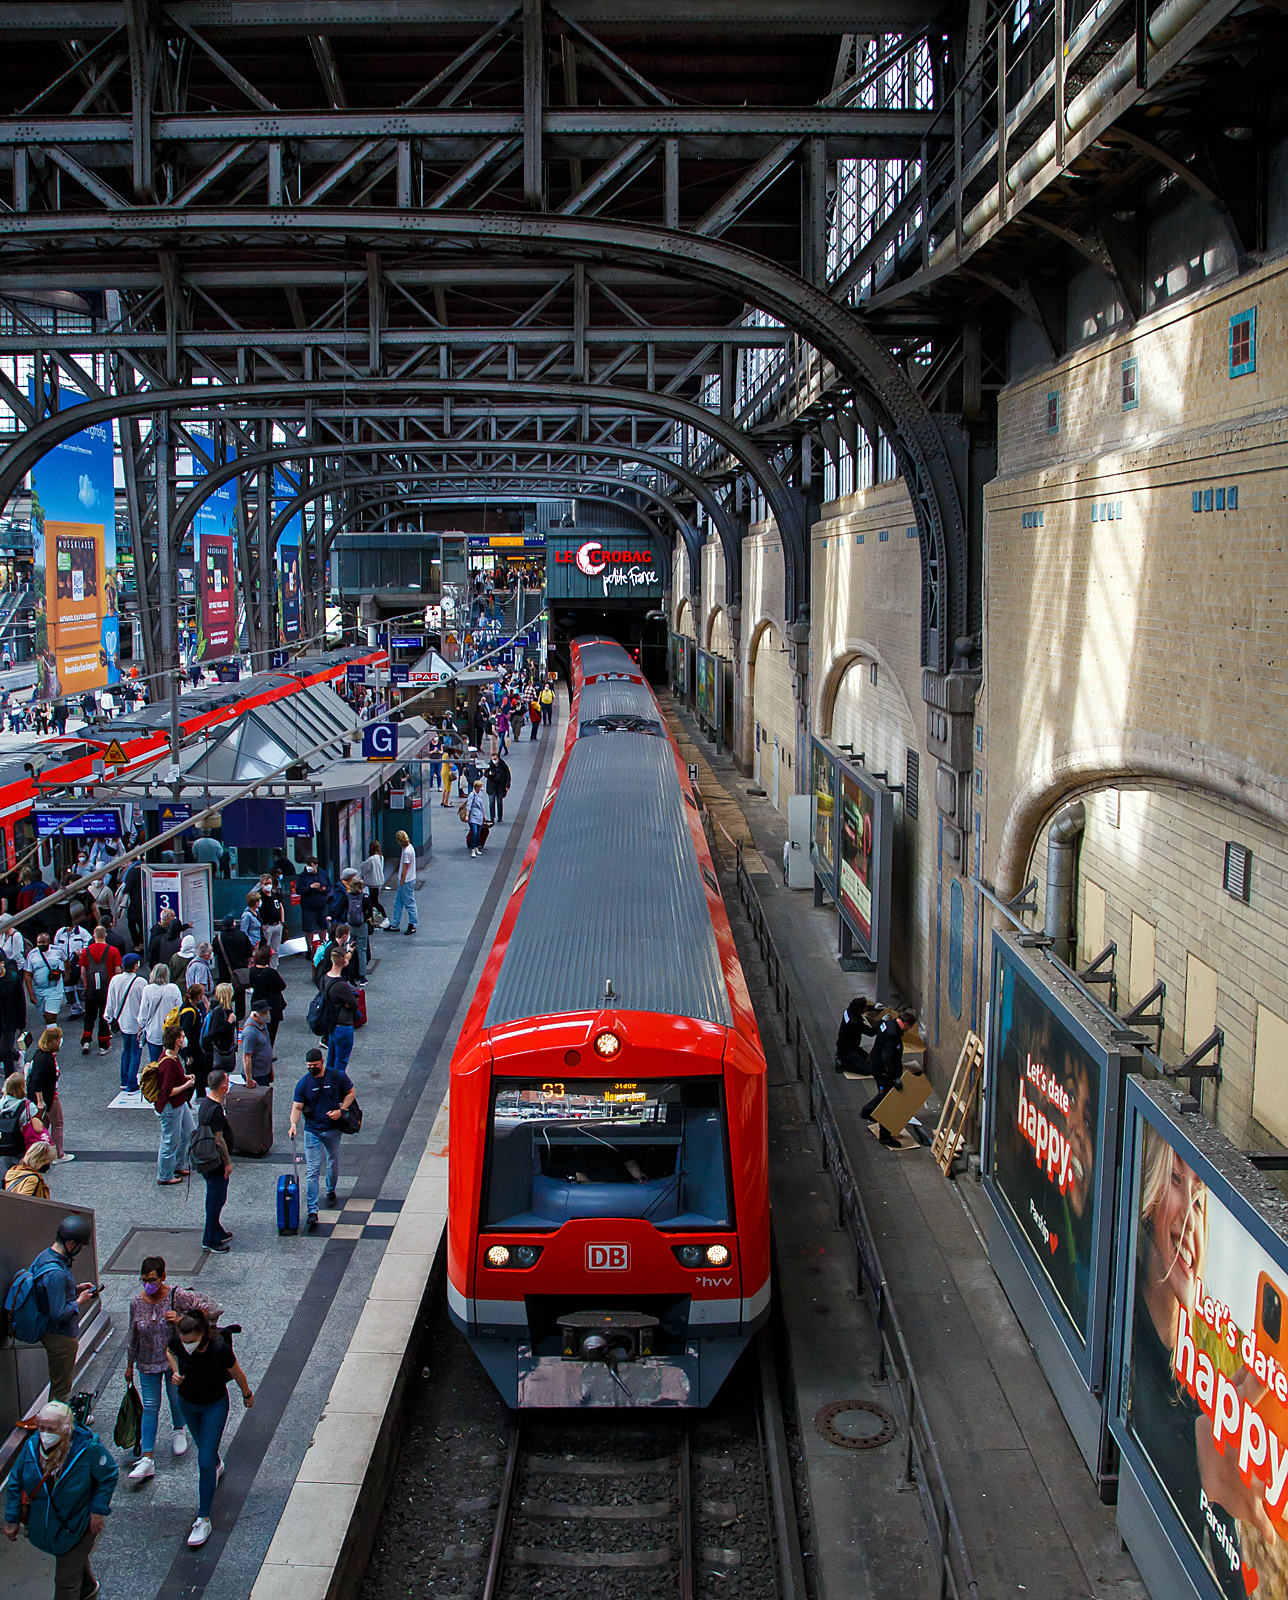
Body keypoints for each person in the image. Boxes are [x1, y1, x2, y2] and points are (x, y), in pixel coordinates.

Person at [3, 1398, 117, 1600]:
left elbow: (108, 1475)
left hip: (78, 1525)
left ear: (66, 1428)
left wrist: (98, 1511)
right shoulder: (31, 1447)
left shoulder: (88, 1450)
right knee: (70, 1561)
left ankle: (80, 1586)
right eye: (42, 1428)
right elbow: (15, 1481)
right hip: (47, 1526)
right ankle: (88, 1587)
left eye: (51, 1428)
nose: (45, 1434)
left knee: (65, 1583)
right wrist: (12, 1519)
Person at [166, 1308, 254, 1549]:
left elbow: (236, 1372)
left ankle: (203, 1518)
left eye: (191, 1341)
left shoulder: (218, 1348)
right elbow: (170, 1351)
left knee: (203, 1459)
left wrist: (247, 1394)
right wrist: (175, 1372)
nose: (187, 1346)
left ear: (202, 1334)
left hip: (214, 1404)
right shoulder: (178, 1341)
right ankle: (216, 1465)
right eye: (184, 1342)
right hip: (188, 1403)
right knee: (206, 1450)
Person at [124, 1257, 215, 1483]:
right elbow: (132, 1335)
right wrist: (129, 1365)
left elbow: (209, 1310)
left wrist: (182, 1319)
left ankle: (179, 1429)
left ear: (163, 1277)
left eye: (152, 1280)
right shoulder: (137, 1303)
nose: (148, 1284)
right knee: (150, 1406)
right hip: (147, 1362)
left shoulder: (177, 1296)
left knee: (175, 1399)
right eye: (144, 1280)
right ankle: (147, 1456)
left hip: (172, 1359)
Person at [24, 1215, 97, 1401]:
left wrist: (74, 1289)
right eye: (79, 1245)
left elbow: (48, 1293)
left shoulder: (45, 1256)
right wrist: (79, 1301)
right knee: (61, 1386)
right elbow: (58, 1313)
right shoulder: (56, 1273)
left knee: (60, 1382)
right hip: (60, 1336)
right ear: (71, 1243)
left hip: (53, 1331)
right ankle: (57, 1425)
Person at [289, 1046, 357, 1231]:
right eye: (309, 1065)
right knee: (311, 1170)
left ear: (322, 1062)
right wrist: (294, 1124)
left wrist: (341, 1111)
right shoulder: (303, 1083)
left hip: (332, 1129)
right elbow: (297, 1107)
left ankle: (330, 1190)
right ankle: (312, 1210)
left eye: (315, 1065)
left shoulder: (337, 1077)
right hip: (312, 1131)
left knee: (332, 1161)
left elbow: (351, 1092)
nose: (312, 1068)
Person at [860, 1008, 920, 1146]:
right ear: (905, 1024)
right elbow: (887, 1057)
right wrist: (893, 1077)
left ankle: (868, 1111)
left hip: (876, 1066)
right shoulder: (893, 1035)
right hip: (884, 1072)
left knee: (883, 1095)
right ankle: (885, 1136)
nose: (908, 1031)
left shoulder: (888, 1024)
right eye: (909, 1028)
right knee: (888, 1101)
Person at [192, 1072, 233, 1254]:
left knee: (215, 1195)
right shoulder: (216, 1110)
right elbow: (219, 1140)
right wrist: (227, 1163)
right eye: (227, 1081)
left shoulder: (206, 1104)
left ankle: (216, 1229)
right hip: (215, 1162)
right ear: (223, 1086)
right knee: (216, 1198)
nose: (229, 1084)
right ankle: (210, 1238)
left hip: (207, 1158)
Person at [104, 952, 146, 1095]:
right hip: (136, 1022)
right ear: (136, 965)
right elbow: (144, 1003)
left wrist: (109, 1017)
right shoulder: (140, 982)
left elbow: (110, 1001)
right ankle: (131, 1083)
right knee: (136, 1052)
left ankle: (124, 1080)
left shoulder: (115, 980)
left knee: (126, 1050)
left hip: (121, 1020)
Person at [28, 1027, 70, 1163]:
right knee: (57, 1123)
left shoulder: (40, 1054)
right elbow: (37, 1081)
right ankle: (59, 1154)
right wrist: (41, 1100)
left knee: (43, 1124)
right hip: (48, 1097)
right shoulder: (46, 1059)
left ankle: (43, 1154)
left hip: (42, 1096)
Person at [319, 946, 361, 1078]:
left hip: (332, 1024)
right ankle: (337, 1087)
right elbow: (354, 1005)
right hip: (343, 1026)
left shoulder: (325, 978)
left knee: (331, 1058)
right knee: (341, 1062)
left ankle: (328, 1084)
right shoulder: (342, 985)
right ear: (344, 961)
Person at [78, 925, 120, 1057]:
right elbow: (118, 970)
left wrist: (86, 985)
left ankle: (86, 1041)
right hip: (107, 989)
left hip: (91, 989)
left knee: (89, 1015)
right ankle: (103, 1044)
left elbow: (82, 972)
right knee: (104, 1016)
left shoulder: (86, 951)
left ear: (93, 935)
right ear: (105, 935)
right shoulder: (113, 951)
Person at [138, 963, 182, 1063]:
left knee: (155, 1062)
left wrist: (141, 1025)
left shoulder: (148, 990)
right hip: (171, 1029)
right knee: (171, 1060)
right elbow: (180, 1008)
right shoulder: (174, 988)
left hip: (154, 1030)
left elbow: (143, 1012)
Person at [213, 917, 253, 1022]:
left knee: (225, 992)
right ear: (234, 924)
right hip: (240, 970)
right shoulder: (242, 936)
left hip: (225, 970)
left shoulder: (218, 938)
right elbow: (249, 952)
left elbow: (215, 952)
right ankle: (240, 1015)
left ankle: (226, 1011)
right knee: (240, 992)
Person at [25, 930, 65, 1027]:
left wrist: (65, 974)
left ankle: (53, 1039)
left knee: (51, 1018)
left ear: (49, 942)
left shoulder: (58, 951)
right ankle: (52, 1036)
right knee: (46, 1017)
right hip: (39, 990)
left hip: (55, 989)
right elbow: (27, 975)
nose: (41, 944)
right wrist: (31, 994)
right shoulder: (32, 955)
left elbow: (66, 961)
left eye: (44, 942)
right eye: (39, 942)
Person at [337, 868, 371, 981]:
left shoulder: (347, 896)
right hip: (362, 925)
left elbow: (341, 910)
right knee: (362, 950)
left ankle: (348, 973)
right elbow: (369, 913)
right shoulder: (365, 897)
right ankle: (362, 976)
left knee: (348, 948)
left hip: (349, 926)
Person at [246, 948, 286, 1044]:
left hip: (257, 1000)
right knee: (271, 1030)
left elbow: (251, 983)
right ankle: (268, 1052)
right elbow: (282, 986)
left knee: (256, 1027)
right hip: (272, 1003)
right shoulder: (271, 972)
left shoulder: (251, 971)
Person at [1, 1067, 45, 1153]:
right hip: (22, 1146)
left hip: (5, 1146)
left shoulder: (1, 1103)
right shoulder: (28, 1106)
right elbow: (38, 1128)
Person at [54, 920, 91, 1019]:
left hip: (78, 965)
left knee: (80, 988)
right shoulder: (60, 933)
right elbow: (56, 947)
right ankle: (75, 1010)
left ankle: (85, 1010)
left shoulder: (82, 932)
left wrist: (82, 951)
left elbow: (89, 944)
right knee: (68, 990)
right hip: (64, 966)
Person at [835, 996, 881, 1074]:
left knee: (869, 1059)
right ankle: (843, 1064)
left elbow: (859, 1008)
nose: (866, 1008)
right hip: (848, 1051)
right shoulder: (855, 1022)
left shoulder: (849, 1011)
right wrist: (881, 1021)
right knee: (868, 1070)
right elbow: (871, 1032)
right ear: (860, 1011)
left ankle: (842, 1057)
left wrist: (873, 1007)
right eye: (865, 1008)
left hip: (849, 1046)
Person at [178, 984, 210, 1095]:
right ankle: (186, 1098)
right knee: (193, 1073)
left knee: (201, 1070)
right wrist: (188, 1054)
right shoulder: (190, 1013)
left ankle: (200, 1095)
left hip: (195, 1047)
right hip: (191, 1048)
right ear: (198, 997)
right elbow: (184, 1034)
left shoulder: (192, 1008)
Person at [296, 856, 331, 952]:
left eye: (311, 866)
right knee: (309, 929)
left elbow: (329, 886)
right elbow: (298, 890)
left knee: (323, 926)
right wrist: (310, 887)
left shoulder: (323, 874)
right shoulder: (302, 876)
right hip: (308, 907)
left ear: (316, 865)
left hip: (322, 905)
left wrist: (324, 889)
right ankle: (310, 948)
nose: (309, 868)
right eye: (308, 865)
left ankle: (323, 945)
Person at [0, 947, 26, 1073]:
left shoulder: (13, 978)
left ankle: (9, 1081)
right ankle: (16, 1056)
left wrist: (22, 1025)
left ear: (2, 963)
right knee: (3, 1051)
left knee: (5, 1050)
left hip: (10, 1020)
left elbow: (20, 1002)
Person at [204, 983, 238, 1080]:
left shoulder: (228, 1009)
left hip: (227, 1048)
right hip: (220, 1049)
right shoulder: (218, 1011)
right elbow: (214, 1032)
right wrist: (228, 1023)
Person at [391, 828, 418, 936]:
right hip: (408, 879)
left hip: (406, 881)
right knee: (398, 902)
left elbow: (405, 868)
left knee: (409, 903)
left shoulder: (407, 851)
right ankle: (395, 923)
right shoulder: (409, 847)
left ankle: (412, 924)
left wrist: (402, 881)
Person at [240, 1004, 274, 1088]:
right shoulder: (250, 1032)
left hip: (264, 1072)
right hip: (256, 1075)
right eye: (264, 1013)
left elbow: (267, 1046)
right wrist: (249, 1079)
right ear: (255, 1015)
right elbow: (246, 1057)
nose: (267, 1014)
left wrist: (271, 1070)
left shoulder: (262, 1024)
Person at [257, 873, 285, 967]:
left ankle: (274, 968)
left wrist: (282, 922)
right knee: (265, 950)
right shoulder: (259, 897)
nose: (268, 885)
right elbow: (256, 912)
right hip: (267, 927)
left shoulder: (275, 894)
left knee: (276, 950)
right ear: (261, 884)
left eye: (270, 883)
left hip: (277, 925)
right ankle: (265, 966)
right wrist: (261, 925)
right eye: (266, 883)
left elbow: (281, 907)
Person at [360, 841, 389, 930]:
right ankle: (374, 919)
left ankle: (384, 917)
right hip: (378, 881)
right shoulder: (381, 857)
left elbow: (364, 868)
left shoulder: (371, 859)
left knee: (374, 902)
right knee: (373, 902)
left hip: (372, 882)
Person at [485, 753, 511, 824]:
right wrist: (489, 774)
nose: (494, 760)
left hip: (500, 786)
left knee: (499, 802)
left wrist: (507, 785)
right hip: (492, 786)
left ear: (498, 758)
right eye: (493, 759)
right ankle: (492, 817)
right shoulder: (489, 765)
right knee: (491, 802)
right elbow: (485, 774)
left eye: (495, 759)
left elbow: (507, 776)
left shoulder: (503, 765)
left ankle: (500, 817)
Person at [466, 778, 488, 857]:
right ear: (477, 787)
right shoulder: (472, 795)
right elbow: (468, 805)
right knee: (474, 832)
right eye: (480, 787)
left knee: (478, 833)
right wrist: (467, 815)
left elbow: (482, 806)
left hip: (479, 816)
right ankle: (472, 848)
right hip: (473, 815)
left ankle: (476, 847)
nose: (481, 788)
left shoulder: (480, 794)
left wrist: (484, 815)